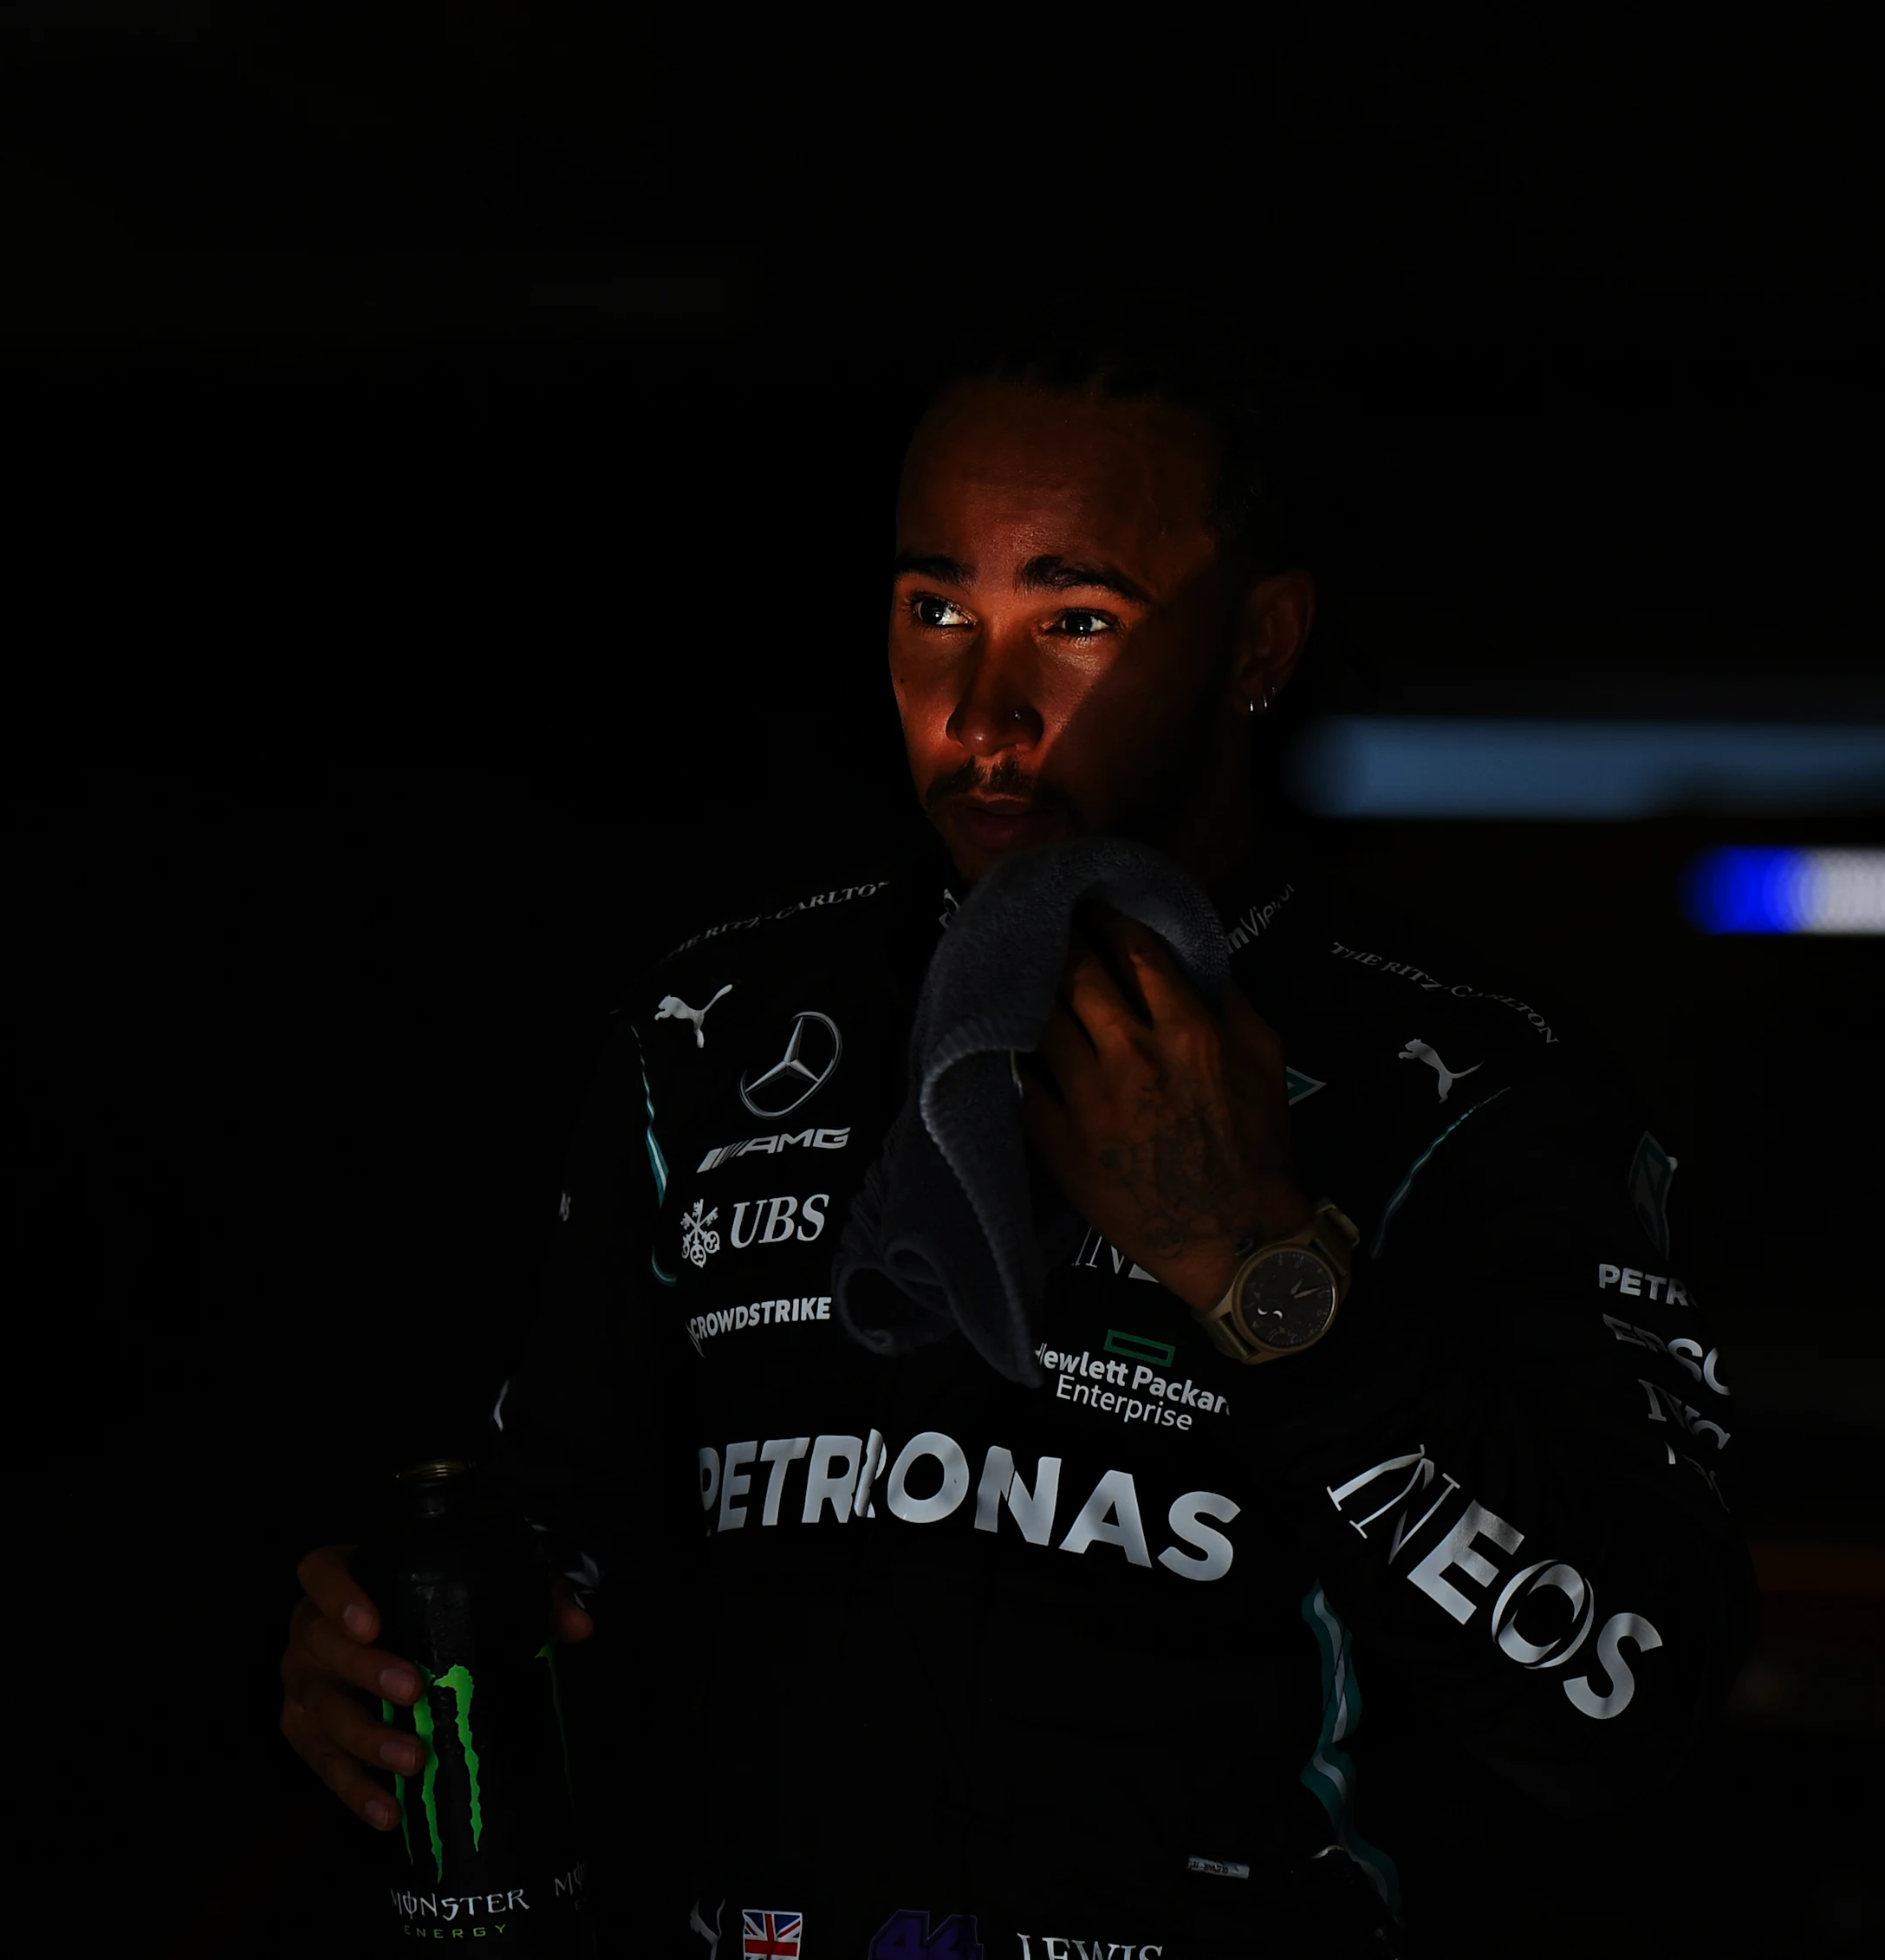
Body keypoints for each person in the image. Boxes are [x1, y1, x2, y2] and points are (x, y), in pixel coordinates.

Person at [280, 311, 1755, 1957]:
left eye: (1076, 621)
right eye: (936, 612)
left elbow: (1625, 1704)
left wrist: (1260, 1267)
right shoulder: (714, 1032)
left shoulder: (1474, 1087)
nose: (984, 707)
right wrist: (385, 1656)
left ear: (1257, 647)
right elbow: (562, 1544)